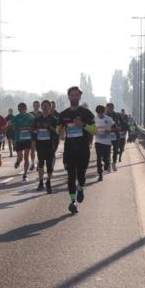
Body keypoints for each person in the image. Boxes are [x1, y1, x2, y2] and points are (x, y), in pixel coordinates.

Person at [57, 86, 96, 214]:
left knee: (81, 175)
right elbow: (59, 132)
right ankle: (73, 201)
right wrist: (60, 130)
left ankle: (80, 188)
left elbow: (95, 130)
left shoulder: (86, 113)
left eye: (76, 95)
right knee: (71, 176)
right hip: (69, 150)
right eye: (72, 95)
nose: (74, 97)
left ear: (79, 96)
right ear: (68, 97)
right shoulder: (63, 114)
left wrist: (83, 125)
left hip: (83, 149)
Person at [33, 99, 58, 194]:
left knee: (49, 165)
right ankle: (40, 182)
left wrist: (50, 128)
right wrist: (35, 131)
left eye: (47, 106)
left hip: (50, 144)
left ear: (50, 107)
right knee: (40, 163)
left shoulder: (54, 119)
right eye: (43, 106)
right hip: (40, 144)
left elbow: (58, 131)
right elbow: (33, 129)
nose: (45, 107)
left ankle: (48, 182)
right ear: (41, 107)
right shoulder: (37, 119)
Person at [10, 102, 35, 181]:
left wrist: (30, 129)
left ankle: (25, 174)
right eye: (19, 109)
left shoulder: (31, 117)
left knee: (26, 157)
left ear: (25, 109)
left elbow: (34, 127)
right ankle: (18, 162)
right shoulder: (16, 117)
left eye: (21, 109)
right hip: (19, 140)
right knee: (20, 157)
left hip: (28, 139)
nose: (20, 111)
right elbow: (13, 128)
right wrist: (18, 129)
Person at [93, 105, 117, 181]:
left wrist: (109, 131)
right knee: (98, 158)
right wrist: (93, 131)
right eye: (98, 113)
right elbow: (92, 129)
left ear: (104, 112)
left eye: (101, 113)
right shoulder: (95, 119)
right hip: (98, 141)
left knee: (106, 158)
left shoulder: (109, 119)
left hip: (107, 142)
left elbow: (116, 129)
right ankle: (100, 174)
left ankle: (107, 163)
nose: (100, 115)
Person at [105, 102, 124, 170]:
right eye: (109, 107)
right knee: (107, 151)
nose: (110, 109)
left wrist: (120, 127)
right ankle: (108, 164)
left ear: (113, 108)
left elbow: (122, 123)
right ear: (107, 108)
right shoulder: (104, 115)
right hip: (107, 135)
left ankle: (114, 163)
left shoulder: (117, 115)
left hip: (116, 134)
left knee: (115, 150)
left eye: (111, 107)